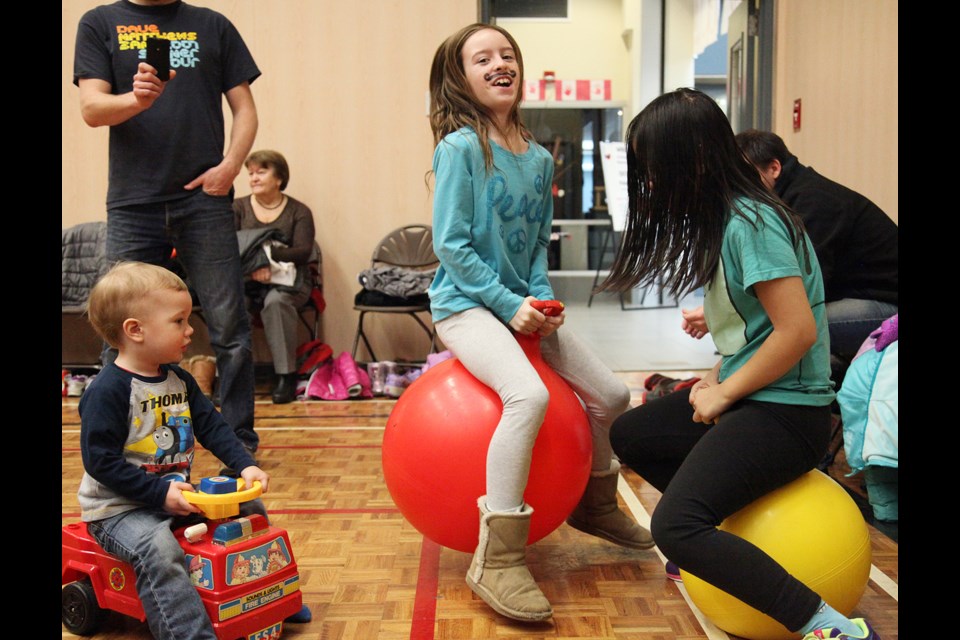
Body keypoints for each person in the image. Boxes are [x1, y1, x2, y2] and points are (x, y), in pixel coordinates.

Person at [600, 88, 879, 639]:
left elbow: (797, 331)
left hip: (788, 413)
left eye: (656, 169)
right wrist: (718, 374)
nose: (651, 182)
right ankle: (717, 544)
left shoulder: (751, 222)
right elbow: (752, 330)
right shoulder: (726, 219)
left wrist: (726, 393)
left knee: (674, 526)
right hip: (757, 394)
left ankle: (828, 626)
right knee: (633, 433)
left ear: (696, 160)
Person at [427, 23, 652, 623]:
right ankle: (495, 560)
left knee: (609, 393)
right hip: (465, 306)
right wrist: (508, 306)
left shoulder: (535, 153)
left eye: (507, 55)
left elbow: (532, 249)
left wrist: (542, 303)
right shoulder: (459, 149)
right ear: (461, 78)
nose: (499, 64)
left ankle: (596, 505)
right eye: (482, 59)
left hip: (516, 304)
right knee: (526, 395)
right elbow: (451, 246)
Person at [73, 0, 261, 462]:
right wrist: (136, 100)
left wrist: (230, 167)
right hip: (133, 201)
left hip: (205, 199)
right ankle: (113, 442)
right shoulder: (99, 22)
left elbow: (245, 108)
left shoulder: (213, 25)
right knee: (117, 327)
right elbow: (92, 109)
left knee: (230, 325)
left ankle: (238, 442)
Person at [78, 261, 270, 640]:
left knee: (250, 509)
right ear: (135, 330)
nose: (190, 330)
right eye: (178, 321)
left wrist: (244, 465)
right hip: (119, 511)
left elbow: (212, 426)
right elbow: (100, 462)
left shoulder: (178, 379)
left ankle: (265, 599)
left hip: (173, 496)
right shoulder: (107, 391)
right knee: (160, 549)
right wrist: (158, 493)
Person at [680, 129, 898, 379]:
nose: (737, 186)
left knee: (788, 326)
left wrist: (719, 315)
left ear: (774, 168)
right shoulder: (780, 202)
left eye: (744, 175)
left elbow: (800, 289)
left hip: (887, 306)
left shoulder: (814, 203)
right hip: (855, 298)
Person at [234, 150, 317, 404]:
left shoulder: (299, 211)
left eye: (261, 172)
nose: (253, 178)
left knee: (276, 303)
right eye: (250, 173)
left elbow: (303, 252)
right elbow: (229, 247)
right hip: (246, 281)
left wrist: (268, 260)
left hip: (290, 282)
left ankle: (285, 375)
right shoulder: (238, 207)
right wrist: (253, 268)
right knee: (232, 308)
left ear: (279, 178)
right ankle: (235, 379)